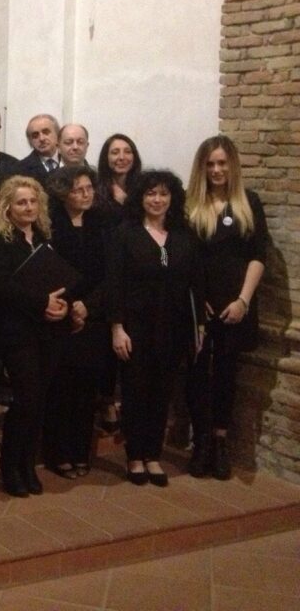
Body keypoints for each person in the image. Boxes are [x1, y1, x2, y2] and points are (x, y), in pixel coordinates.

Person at [108, 170, 201, 487]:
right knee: (135, 392)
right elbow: (115, 283)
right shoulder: (126, 233)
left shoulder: (183, 234)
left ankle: (152, 455)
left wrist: (196, 325)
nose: (157, 199)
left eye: (163, 193)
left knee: (162, 393)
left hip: (173, 327)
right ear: (140, 198)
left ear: (172, 198)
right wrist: (117, 327)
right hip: (136, 326)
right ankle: (134, 456)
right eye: (150, 194)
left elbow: (194, 284)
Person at [185, 136, 267, 480]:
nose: (217, 170)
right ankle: (200, 440)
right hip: (198, 305)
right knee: (196, 372)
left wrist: (243, 300)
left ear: (232, 165)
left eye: (222, 163)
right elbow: (182, 258)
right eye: (210, 164)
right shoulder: (189, 205)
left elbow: (257, 257)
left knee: (225, 374)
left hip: (236, 304)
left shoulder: (249, 202)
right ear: (202, 167)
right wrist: (194, 295)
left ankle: (220, 441)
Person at [0, 176, 69, 497]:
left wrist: (62, 304)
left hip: (48, 327)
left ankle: (28, 464)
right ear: (7, 206)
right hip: (16, 330)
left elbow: (56, 277)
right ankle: (10, 465)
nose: (28, 207)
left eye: (33, 201)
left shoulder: (45, 235)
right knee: (26, 397)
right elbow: (2, 286)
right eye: (21, 202)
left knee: (40, 399)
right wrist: (41, 302)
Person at [42, 166, 108, 479]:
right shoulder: (51, 225)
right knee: (62, 388)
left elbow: (107, 273)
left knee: (86, 389)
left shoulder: (100, 223)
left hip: (92, 316)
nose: (86, 194)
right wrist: (70, 305)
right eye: (78, 189)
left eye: (89, 188)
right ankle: (58, 453)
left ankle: (81, 451)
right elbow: (51, 271)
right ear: (63, 192)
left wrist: (88, 305)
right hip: (61, 315)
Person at [94, 133, 142, 433]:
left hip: (137, 272)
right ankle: (107, 399)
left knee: (133, 337)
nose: (121, 157)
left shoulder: (143, 189)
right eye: (114, 152)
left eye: (126, 151)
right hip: (105, 269)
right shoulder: (98, 190)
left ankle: (130, 402)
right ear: (106, 158)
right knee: (107, 338)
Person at [19, 114, 61, 185]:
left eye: (46, 132)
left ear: (58, 134)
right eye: (35, 135)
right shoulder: (21, 169)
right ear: (30, 141)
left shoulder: (70, 161)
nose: (41, 139)